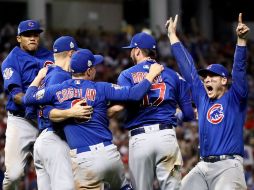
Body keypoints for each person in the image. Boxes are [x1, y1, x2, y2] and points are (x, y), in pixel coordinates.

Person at [24, 48, 164, 189]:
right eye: (94, 67)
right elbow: (134, 94)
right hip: (109, 154)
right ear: (89, 71)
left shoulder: (57, 90)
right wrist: (151, 75)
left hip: (84, 159)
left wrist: (39, 77)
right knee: (123, 187)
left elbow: (28, 98)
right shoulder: (101, 88)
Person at [166, 13, 249, 190]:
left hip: (228, 166)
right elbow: (188, 69)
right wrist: (173, 36)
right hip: (203, 166)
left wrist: (241, 41)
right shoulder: (203, 98)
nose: (207, 80)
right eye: (206, 77)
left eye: (213, 77)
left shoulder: (235, 97)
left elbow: (239, 70)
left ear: (224, 81)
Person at [116, 32, 195, 190]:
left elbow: (123, 106)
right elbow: (189, 114)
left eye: (132, 49)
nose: (131, 52)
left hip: (140, 139)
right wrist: (175, 116)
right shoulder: (173, 75)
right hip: (166, 137)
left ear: (137, 51)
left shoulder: (126, 75)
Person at [33, 36, 93, 190]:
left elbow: (32, 104)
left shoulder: (49, 74)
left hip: (43, 140)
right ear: (71, 54)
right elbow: (47, 111)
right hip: (55, 139)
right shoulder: (60, 76)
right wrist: (71, 112)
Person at [1, 19, 54, 190]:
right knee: (14, 175)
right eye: (27, 35)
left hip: (46, 120)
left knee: (50, 171)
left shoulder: (48, 55)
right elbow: (16, 96)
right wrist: (35, 100)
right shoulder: (11, 60)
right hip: (21, 120)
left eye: (35, 34)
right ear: (18, 38)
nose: (32, 38)